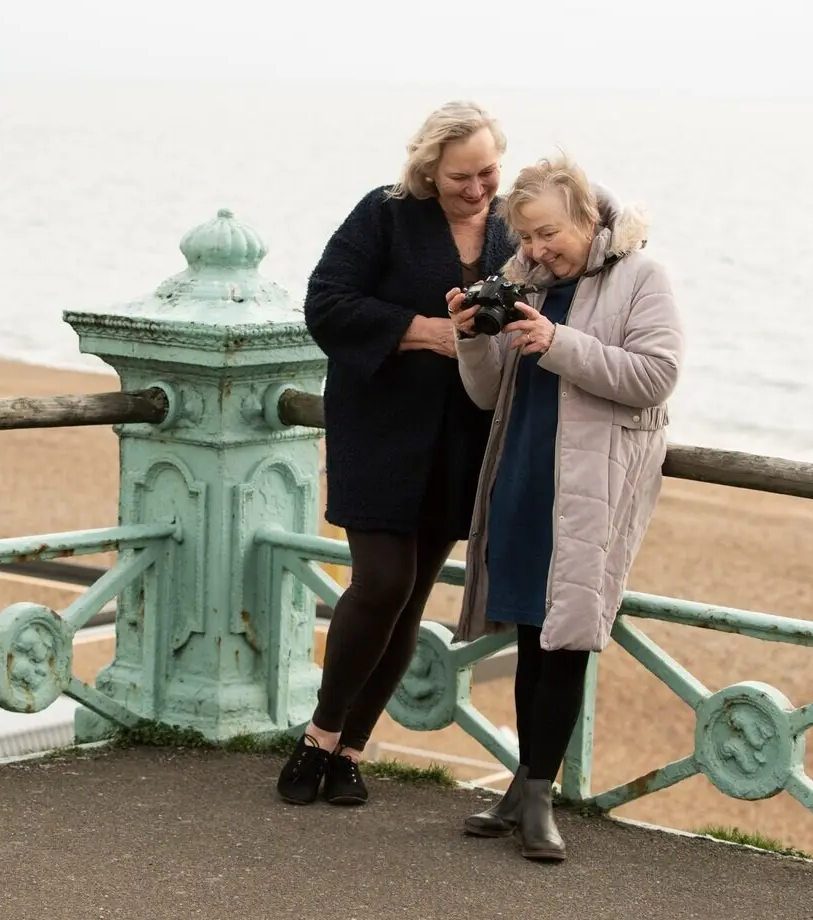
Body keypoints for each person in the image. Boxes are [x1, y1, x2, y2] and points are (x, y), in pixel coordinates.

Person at [276, 101, 516, 807]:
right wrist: (430, 332)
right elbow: (326, 304)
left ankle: (352, 751)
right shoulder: (383, 213)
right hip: (379, 428)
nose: (476, 190)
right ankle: (319, 735)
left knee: (410, 600)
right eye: (460, 177)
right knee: (380, 581)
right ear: (428, 170)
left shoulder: (512, 227)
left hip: (464, 439)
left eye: (488, 173)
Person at [447, 154, 683, 861]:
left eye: (548, 234)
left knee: (568, 637)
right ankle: (522, 789)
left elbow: (656, 376)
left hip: (592, 483)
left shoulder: (643, 276)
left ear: (588, 218)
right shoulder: (524, 281)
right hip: (523, 469)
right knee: (528, 630)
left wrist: (557, 342)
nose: (535, 251)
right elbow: (489, 394)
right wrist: (471, 338)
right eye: (524, 238)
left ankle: (541, 798)